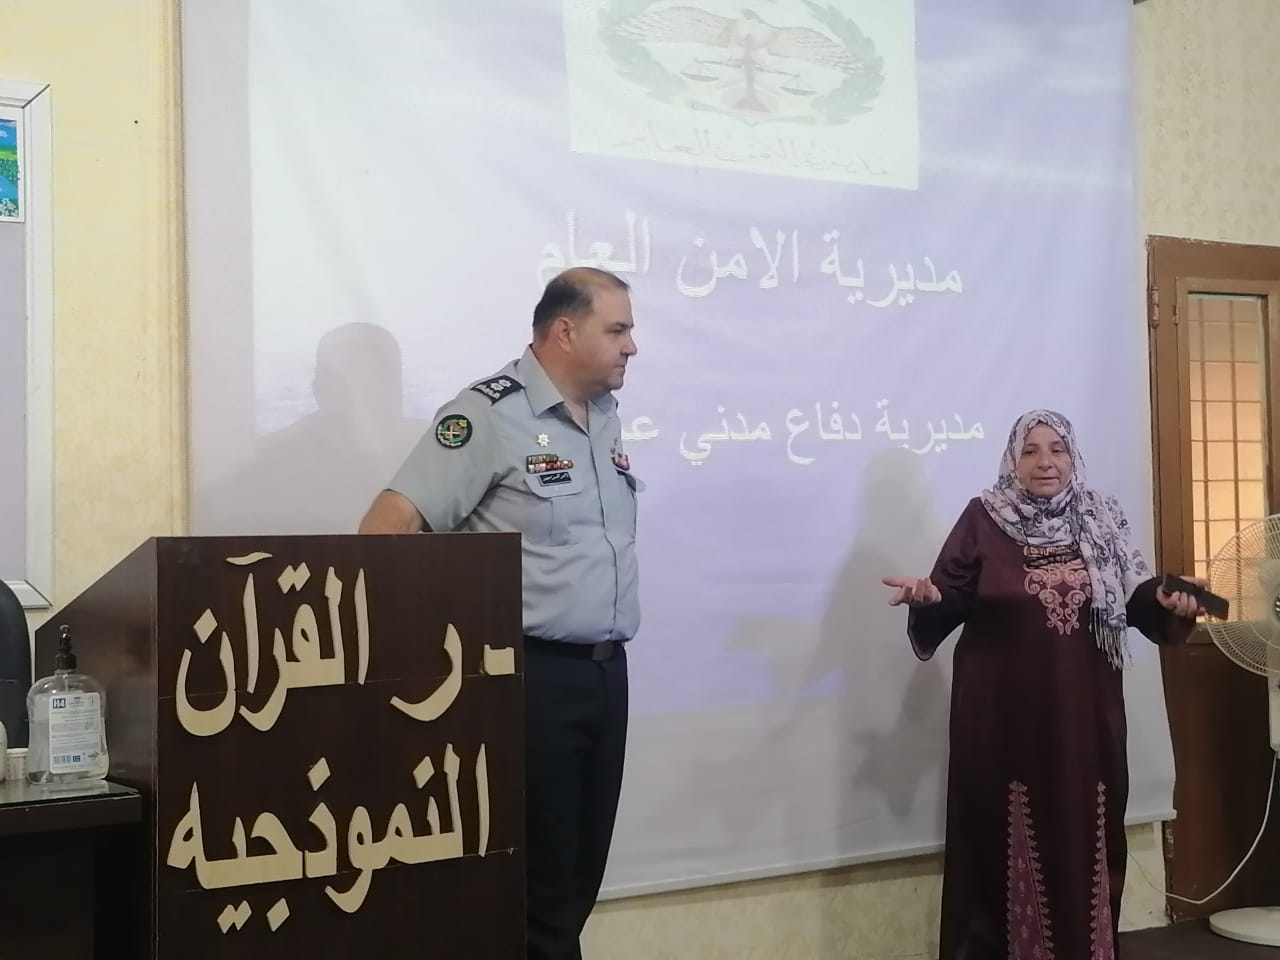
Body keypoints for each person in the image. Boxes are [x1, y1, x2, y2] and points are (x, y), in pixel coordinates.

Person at [359, 266, 640, 960]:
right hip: (528, 679)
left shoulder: (603, 416)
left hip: (605, 674)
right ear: (565, 331)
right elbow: (387, 527)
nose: (632, 346)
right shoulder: (487, 415)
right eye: (618, 330)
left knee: (577, 882)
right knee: (536, 888)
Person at [881, 409, 1203, 960]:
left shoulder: (1100, 516)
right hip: (1001, 721)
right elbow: (949, 594)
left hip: (1085, 718)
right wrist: (929, 598)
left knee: (1085, 834)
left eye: (1057, 449)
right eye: (1030, 450)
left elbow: (1136, 596)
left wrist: (1170, 600)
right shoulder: (984, 518)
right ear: (1013, 459)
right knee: (1001, 840)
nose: (1045, 462)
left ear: (1073, 456)